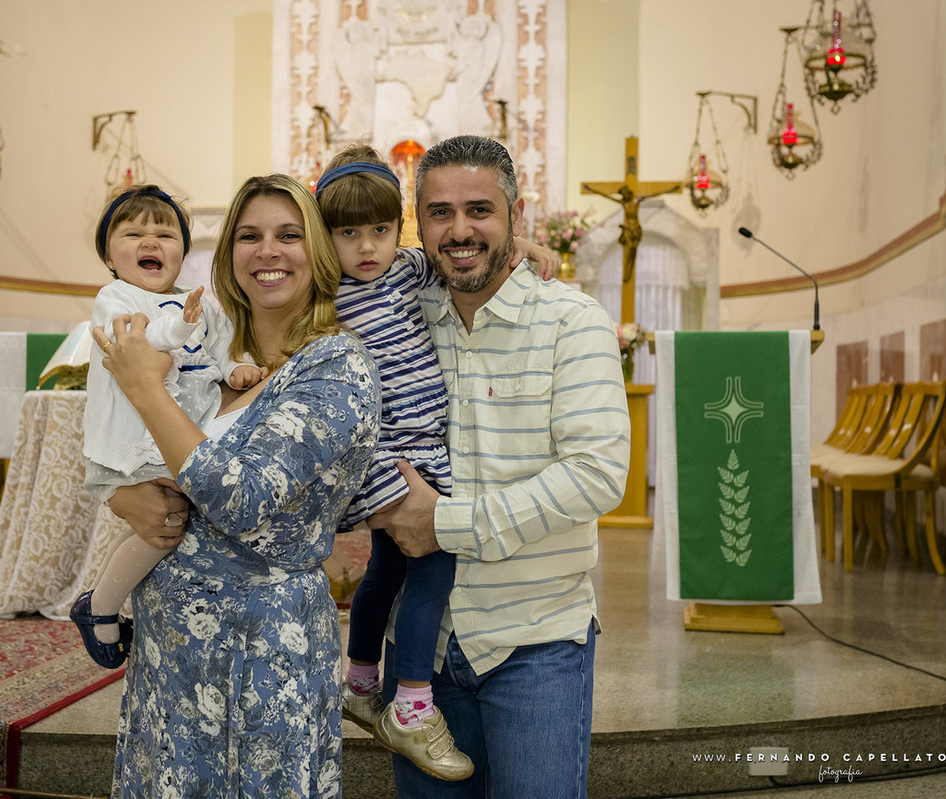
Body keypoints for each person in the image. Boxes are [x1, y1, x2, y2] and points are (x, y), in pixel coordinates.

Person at [92, 174, 381, 798]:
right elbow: (127, 443)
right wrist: (121, 494)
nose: (267, 251)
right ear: (227, 257)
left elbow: (242, 499)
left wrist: (144, 388)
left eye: (288, 235)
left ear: (319, 254)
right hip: (171, 644)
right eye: (248, 236)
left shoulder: (335, 365)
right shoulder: (210, 352)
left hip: (264, 648)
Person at [368, 134, 632, 799]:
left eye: (479, 210)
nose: (459, 230)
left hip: (534, 640)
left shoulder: (571, 322)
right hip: (419, 655)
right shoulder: (397, 317)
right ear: (417, 223)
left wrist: (447, 523)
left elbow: (597, 471)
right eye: (439, 213)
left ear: (516, 215)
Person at [313, 143, 558, 782]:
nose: (368, 246)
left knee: (388, 571)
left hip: (424, 447)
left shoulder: (407, 271)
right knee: (433, 566)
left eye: (382, 229)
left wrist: (522, 247)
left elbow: (471, 255)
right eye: (348, 233)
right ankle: (413, 703)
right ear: (323, 237)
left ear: (402, 229)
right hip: (390, 453)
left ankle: (361, 680)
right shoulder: (324, 293)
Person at [71, 184, 268, 668]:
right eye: (133, 232)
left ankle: (98, 602)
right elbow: (144, 344)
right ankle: (99, 609)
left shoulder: (201, 303)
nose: (150, 242)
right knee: (165, 528)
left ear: (183, 253)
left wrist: (235, 367)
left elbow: (223, 346)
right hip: (135, 442)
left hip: (179, 438)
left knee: (160, 523)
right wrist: (181, 326)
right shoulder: (114, 298)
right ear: (109, 256)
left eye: (165, 234)